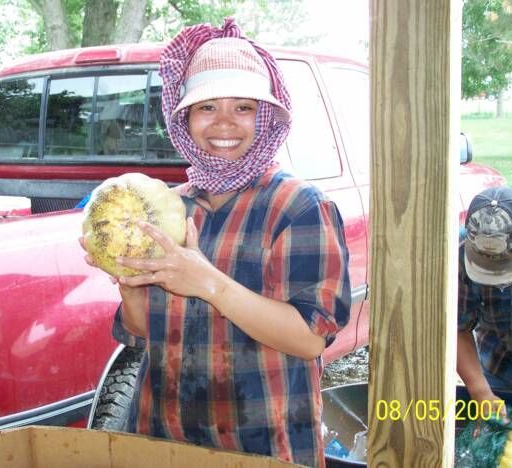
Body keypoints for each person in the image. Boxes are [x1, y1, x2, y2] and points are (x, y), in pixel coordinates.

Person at [82, 18, 350, 467]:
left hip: (260, 443)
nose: (224, 123)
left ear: (264, 118)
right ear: (184, 118)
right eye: (207, 107)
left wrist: (207, 282)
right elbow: (147, 334)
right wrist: (128, 282)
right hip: (163, 440)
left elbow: (309, 339)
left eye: (243, 107)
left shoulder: (298, 207)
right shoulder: (166, 207)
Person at [457, 186, 512, 462]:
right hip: (501, 369)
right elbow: (458, 327)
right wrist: (480, 391)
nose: (500, 280)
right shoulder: (461, 255)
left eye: (506, 266)